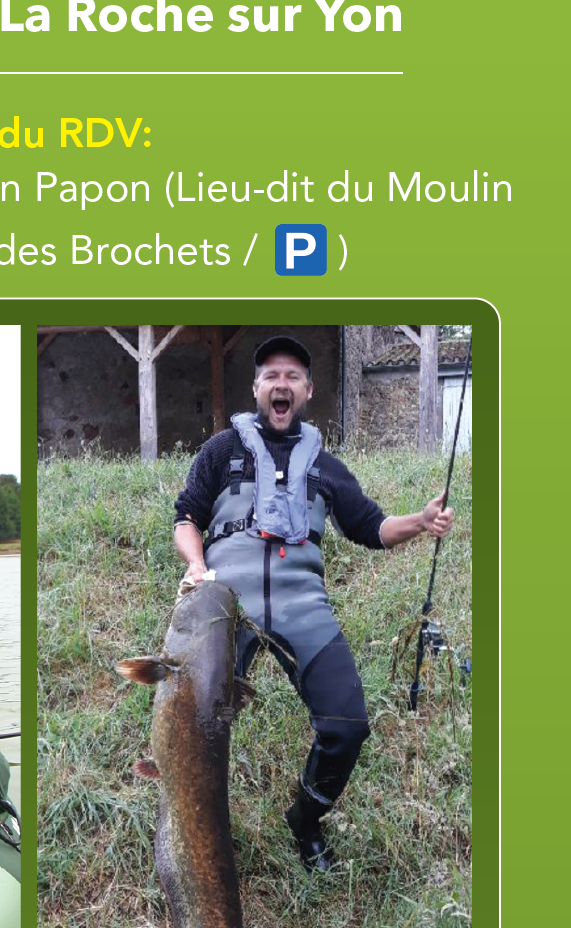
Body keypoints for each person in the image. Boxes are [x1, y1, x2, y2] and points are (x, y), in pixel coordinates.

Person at [172, 334, 456, 871]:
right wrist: (194, 563)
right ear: (257, 388)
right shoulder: (220, 451)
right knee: (195, 723)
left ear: (308, 390)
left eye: (293, 376)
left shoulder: (326, 465)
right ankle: (198, 831)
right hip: (224, 607)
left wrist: (419, 522)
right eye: (271, 376)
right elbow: (187, 517)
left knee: (347, 727)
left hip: (304, 607)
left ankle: (305, 820)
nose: (282, 384)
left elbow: (372, 528)